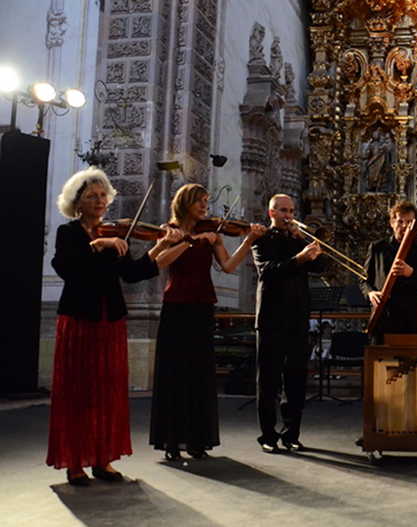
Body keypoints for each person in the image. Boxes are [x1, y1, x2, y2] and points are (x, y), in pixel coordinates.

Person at [47, 167, 182, 486]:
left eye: (103, 195)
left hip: (110, 321)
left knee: (105, 392)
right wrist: (98, 246)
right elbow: (68, 268)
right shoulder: (70, 234)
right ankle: (75, 461)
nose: (99, 200)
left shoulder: (116, 234)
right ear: (76, 202)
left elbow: (134, 272)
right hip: (80, 320)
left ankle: (102, 459)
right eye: (91, 196)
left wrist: (163, 245)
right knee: (78, 392)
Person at [149, 183, 266, 461]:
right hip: (176, 307)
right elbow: (160, 261)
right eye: (199, 201)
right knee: (175, 373)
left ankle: (196, 440)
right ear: (185, 202)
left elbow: (227, 266)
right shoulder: (171, 230)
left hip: (202, 306)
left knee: (199, 374)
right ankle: (172, 441)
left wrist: (248, 241)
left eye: (205, 201)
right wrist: (189, 241)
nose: (204, 206)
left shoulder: (211, 233)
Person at [252, 194, 325, 453]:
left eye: (292, 211)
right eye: (283, 210)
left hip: (297, 318)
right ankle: (268, 436)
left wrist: (305, 245)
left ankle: (292, 433)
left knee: (296, 381)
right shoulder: (261, 239)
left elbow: (321, 268)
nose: (289, 215)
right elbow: (268, 271)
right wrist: (300, 259)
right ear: (271, 213)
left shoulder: (298, 240)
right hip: (271, 318)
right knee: (269, 381)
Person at [361, 201, 417, 344]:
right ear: (392, 222)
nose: (404, 226)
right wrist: (370, 293)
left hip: (413, 319)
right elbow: (364, 281)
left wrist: (412, 273)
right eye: (400, 221)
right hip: (384, 317)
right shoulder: (378, 248)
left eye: (409, 222)